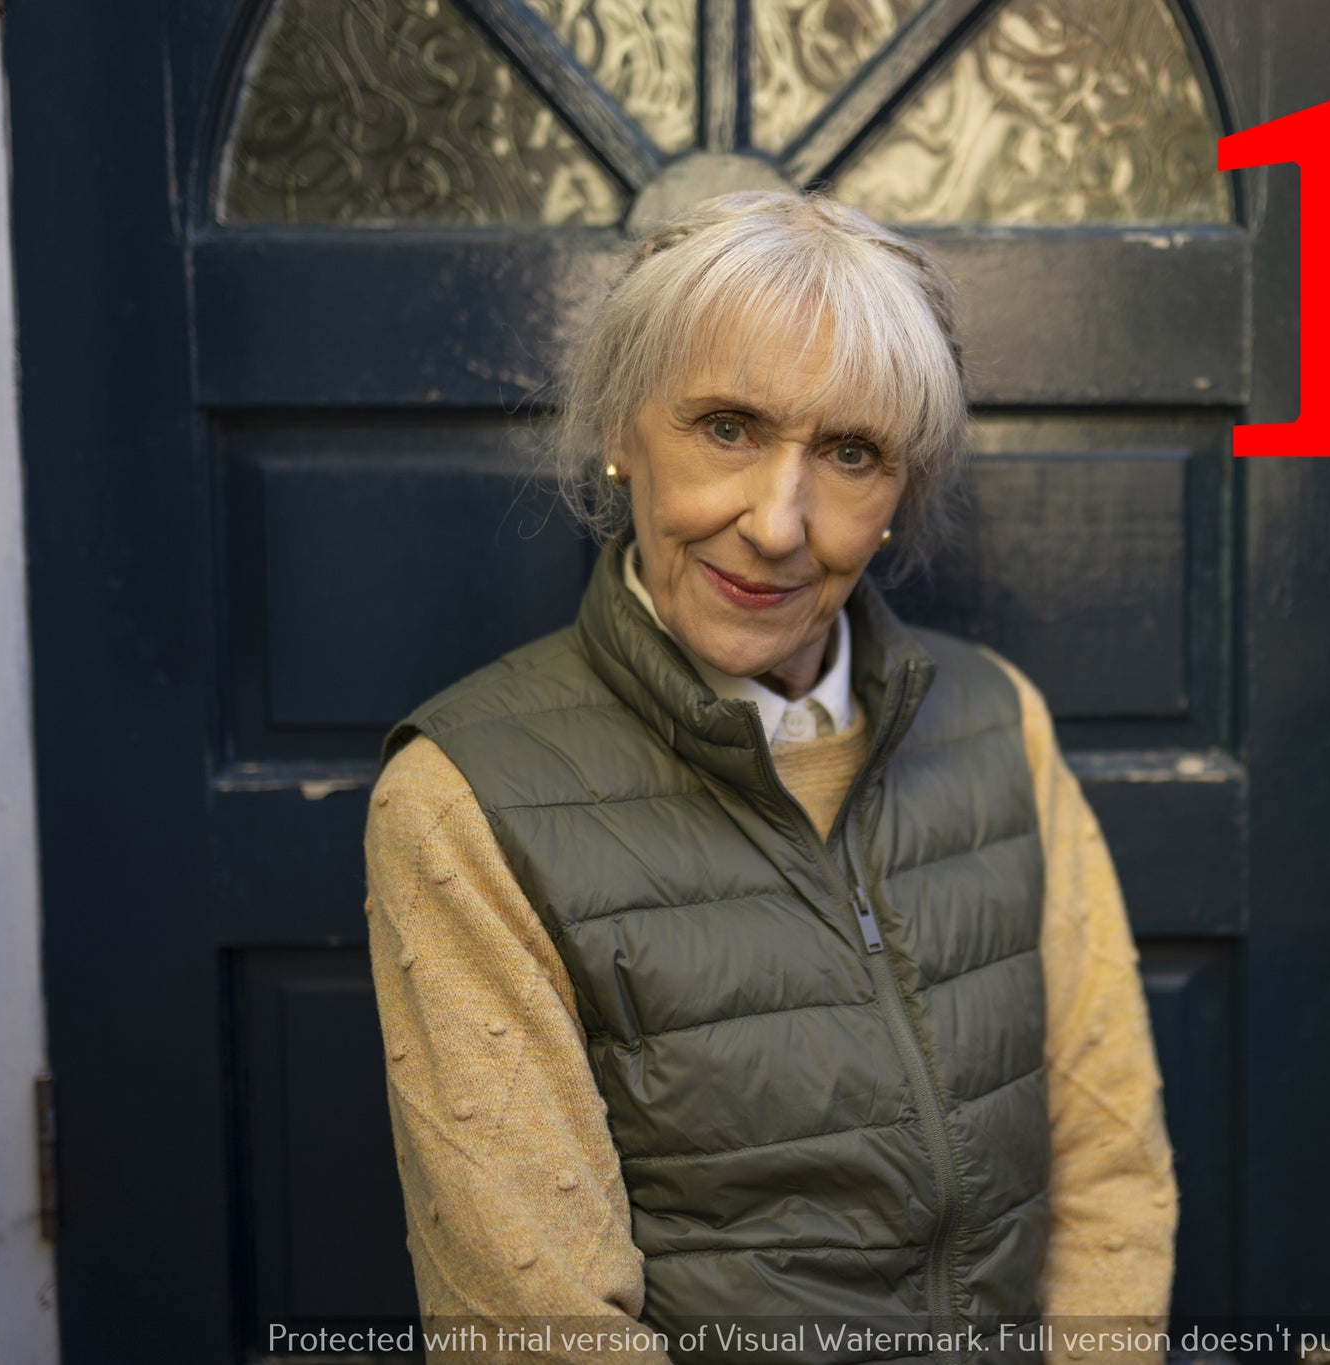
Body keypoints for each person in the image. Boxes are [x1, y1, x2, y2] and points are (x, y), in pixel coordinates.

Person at [362, 190, 1176, 1365]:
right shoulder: (462, 800)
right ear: (622, 431)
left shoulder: (1000, 722)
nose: (778, 525)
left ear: (899, 495)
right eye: (726, 428)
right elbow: (535, 1331)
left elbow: (1110, 1169)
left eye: (850, 454)